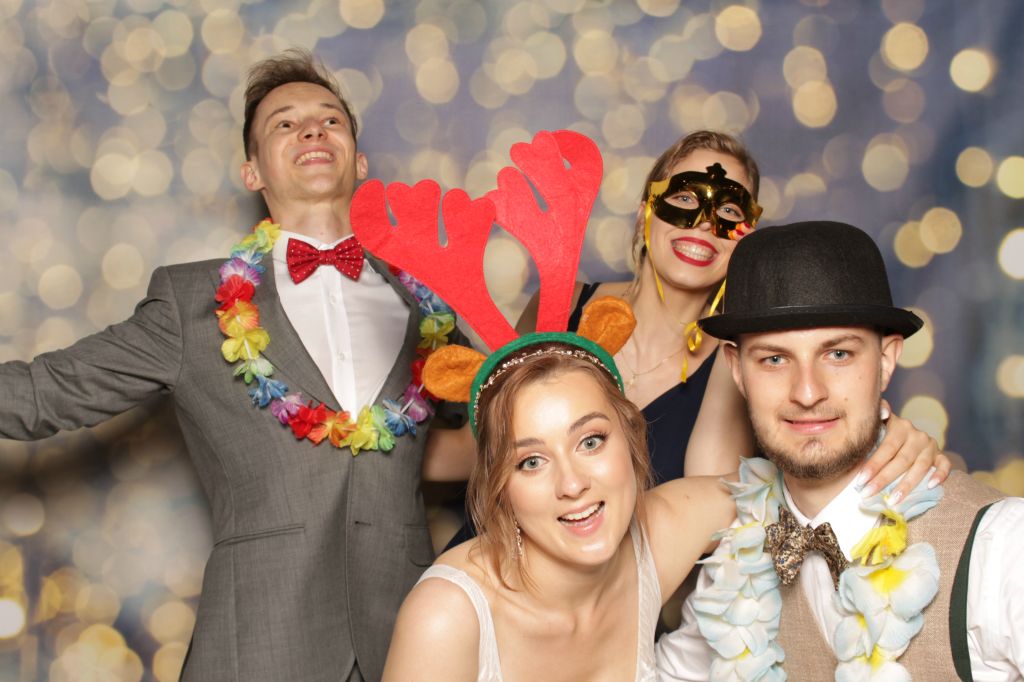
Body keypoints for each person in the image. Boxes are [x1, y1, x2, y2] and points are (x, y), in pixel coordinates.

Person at [0, 50, 451, 681]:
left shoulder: (427, 307)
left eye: (330, 120)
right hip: (258, 647)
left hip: (407, 646)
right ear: (252, 172)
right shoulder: (192, 303)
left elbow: (486, 442)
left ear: (360, 161)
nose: (312, 130)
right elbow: (45, 392)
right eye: (285, 124)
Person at [436, 131, 948, 556]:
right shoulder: (560, 306)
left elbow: (708, 517)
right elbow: (478, 451)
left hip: (617, 603)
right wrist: (388, 431)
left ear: (746, 237)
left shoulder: (737, 358)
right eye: (684, 199)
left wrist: (890, 438)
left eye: (729, 209)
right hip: (491, 562)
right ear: (646, 209)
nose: (704, 223)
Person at [656, 221, 1024, 680]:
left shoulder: (1003, 546)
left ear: (886, 360)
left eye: (838, 354)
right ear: (737, 370)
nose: (807, 392)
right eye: (774, 359)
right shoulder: (733, 566)